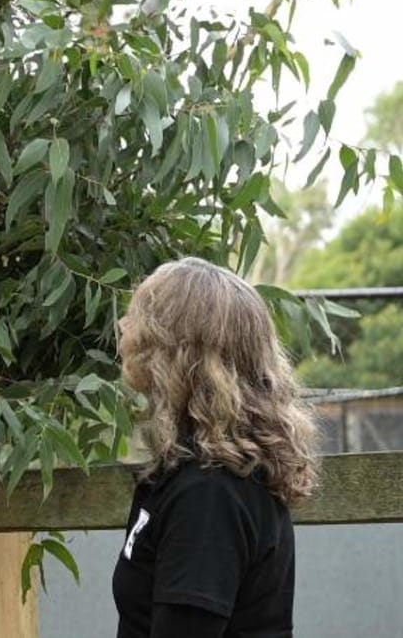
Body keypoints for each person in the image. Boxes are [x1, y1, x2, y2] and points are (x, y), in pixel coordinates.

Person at [112, 257, 319, 638]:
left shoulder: (209, 495)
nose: (124, 328)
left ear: (173, 348)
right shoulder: (196, 473)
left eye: (138, 317)